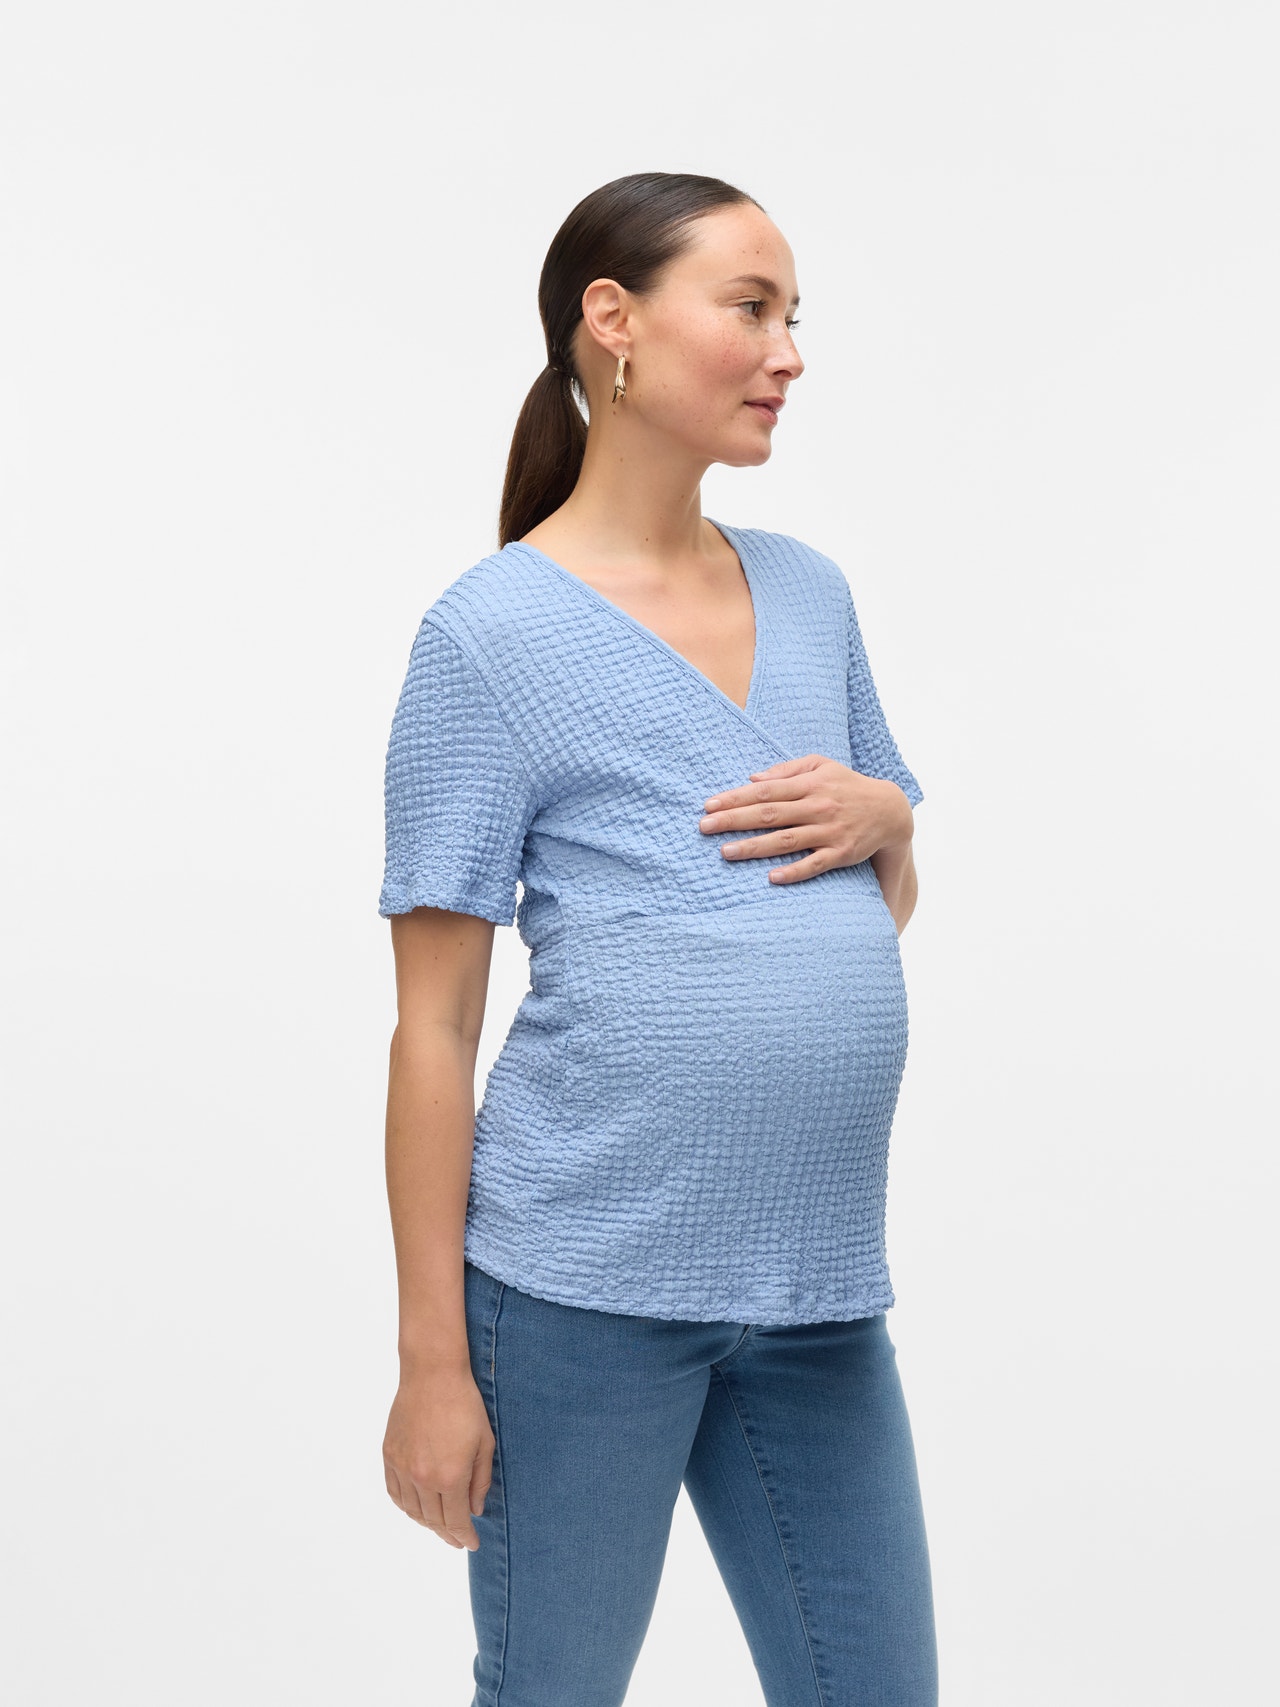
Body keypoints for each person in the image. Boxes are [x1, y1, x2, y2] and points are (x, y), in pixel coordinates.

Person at [378, 171, 938, 1707]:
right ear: (613, 322)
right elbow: (433, 1027)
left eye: (795, 317)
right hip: (579, 1295)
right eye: (752, 309)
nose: (789, 353)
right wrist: (434, 1361)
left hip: (818, 1293)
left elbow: (864, 909)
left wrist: (890, 821)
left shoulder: (809, 595)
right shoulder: (489, 636)